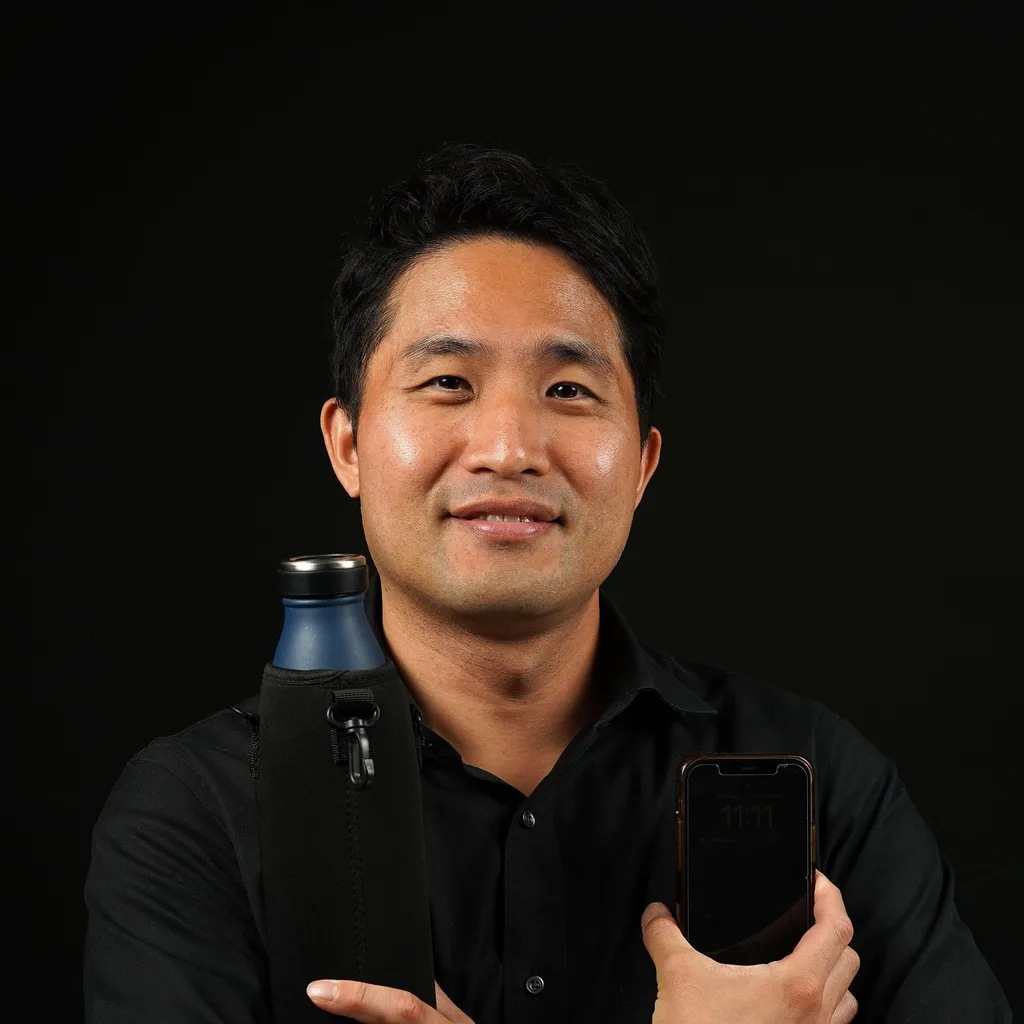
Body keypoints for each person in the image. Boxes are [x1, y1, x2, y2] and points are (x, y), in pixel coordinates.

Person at [83, 143, 1011, 1023]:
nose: (510, 450)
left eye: (569, 391)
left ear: (644, 463)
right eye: (447, 381)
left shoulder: (823, 779)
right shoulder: (199, 810)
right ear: (348, 445)